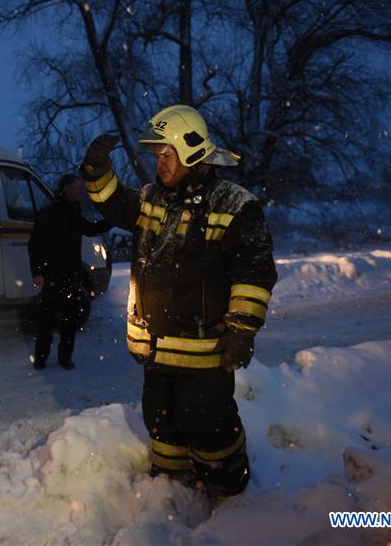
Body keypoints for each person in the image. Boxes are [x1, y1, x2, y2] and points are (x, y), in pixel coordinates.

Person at [80, 105, 277, 496]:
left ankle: (229, 491)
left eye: (166, 155)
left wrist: (240, 330)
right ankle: (172, 489)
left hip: (205, 353)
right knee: (162, 423)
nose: (159, 165)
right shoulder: (154, 198)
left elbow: (254, 274)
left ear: (191, 151)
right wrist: (96, 170)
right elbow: (113, 202)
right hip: (157, 352)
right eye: (156, 157)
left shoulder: (235, 205)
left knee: (210, 427)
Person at [28, 174, 111, 370]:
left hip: (72, 275)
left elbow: (90, 229)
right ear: (66, 188)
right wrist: (37, 272)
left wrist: (112, 220)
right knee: (47, 320)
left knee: (70, 320)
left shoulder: (74, 212)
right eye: (75, 187)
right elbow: (36, 244)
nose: (79, 190)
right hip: (53, 276)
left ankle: (65, 358)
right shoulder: (49, 213)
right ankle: (41, 358)